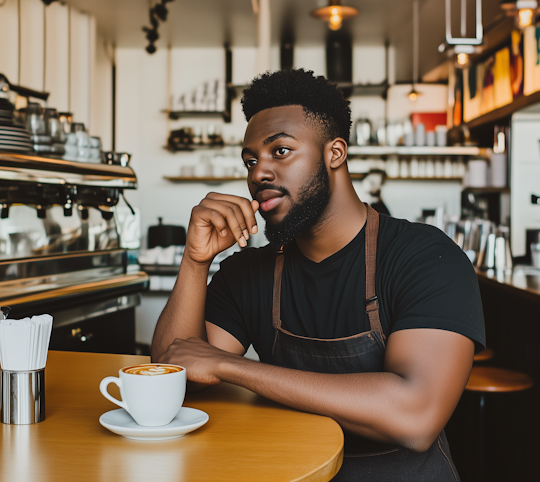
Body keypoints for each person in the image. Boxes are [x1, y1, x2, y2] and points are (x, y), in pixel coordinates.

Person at [151, 69, 485, 481]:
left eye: (281, 151)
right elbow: (171, 377)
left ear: (335, 153)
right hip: (296, 472)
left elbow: (415, 414)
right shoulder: (248, 272)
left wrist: (230, 367)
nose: (258, 173)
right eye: (250, 160)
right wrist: (194, 261)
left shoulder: (424, 257)